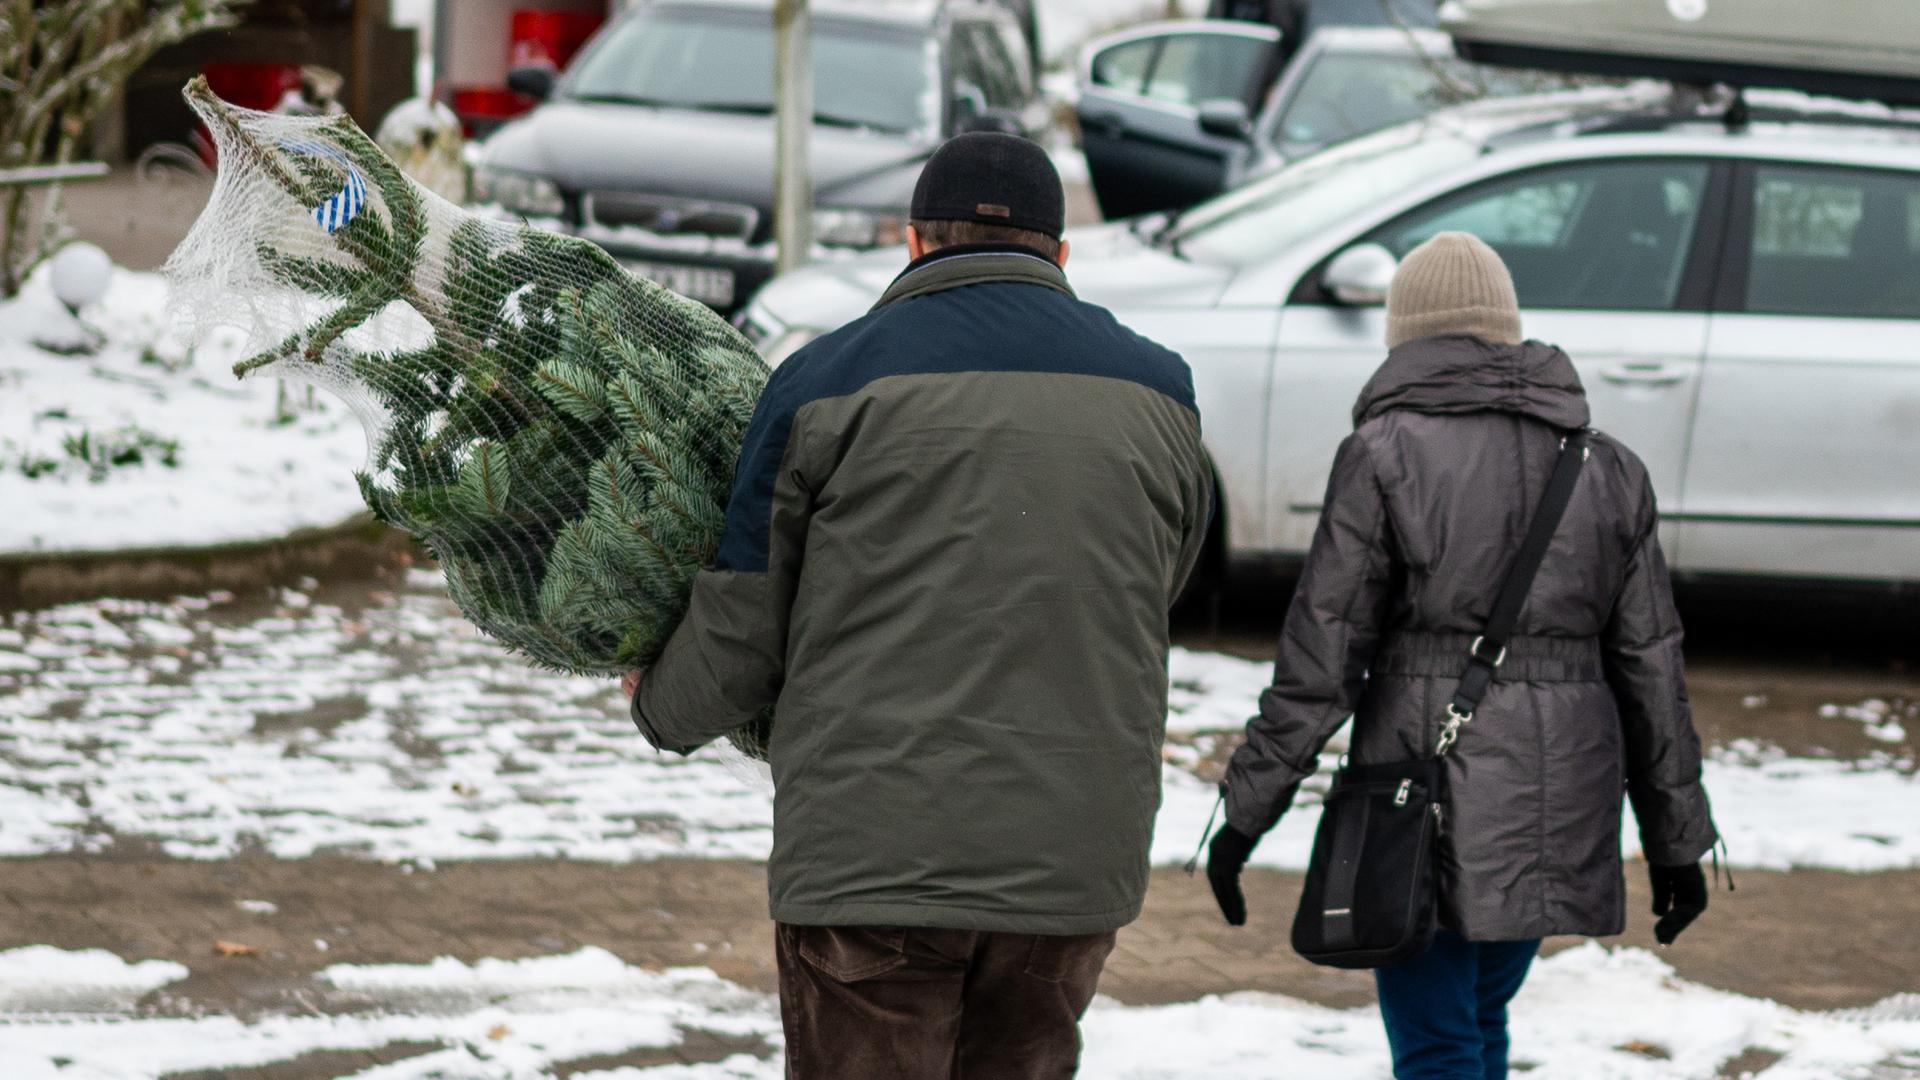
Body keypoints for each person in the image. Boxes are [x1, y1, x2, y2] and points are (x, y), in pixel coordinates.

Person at [623, 132, 1213, 1079]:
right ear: (1061, 255)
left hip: (873, 863)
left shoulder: (825, 380)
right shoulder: (1161, 391)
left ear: (912, 243)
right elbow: (1158, 581)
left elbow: (744, 616)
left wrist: (661, 704)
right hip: (1067, 864)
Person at [1203, 232, 1719, 1079]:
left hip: (1421, 792)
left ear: (1405, 337)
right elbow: (1652, 670)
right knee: (1479, 1016)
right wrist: (1677, 840)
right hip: (1562, 796)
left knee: (1438, 1038)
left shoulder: (1382, 454)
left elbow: (1324, 657)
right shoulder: (1607, 466)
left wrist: (1248, 809)